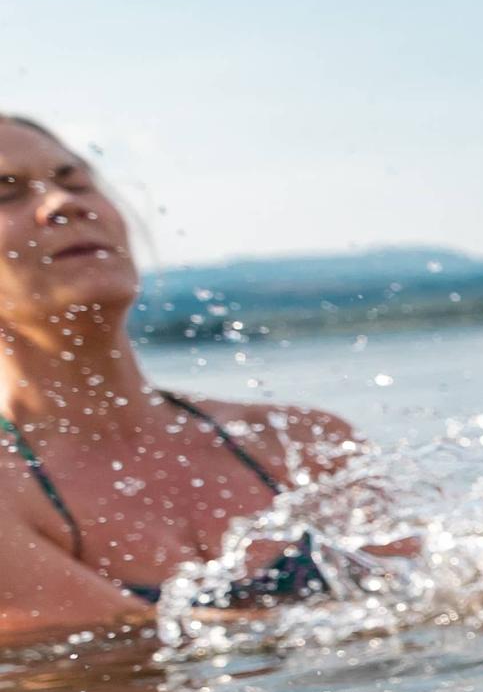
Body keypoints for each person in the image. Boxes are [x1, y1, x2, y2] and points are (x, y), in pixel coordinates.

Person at [0, 115, 355, 641]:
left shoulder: (302, 441)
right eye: (5, 193)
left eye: (75, 181)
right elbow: (142, 639)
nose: (64, 204)